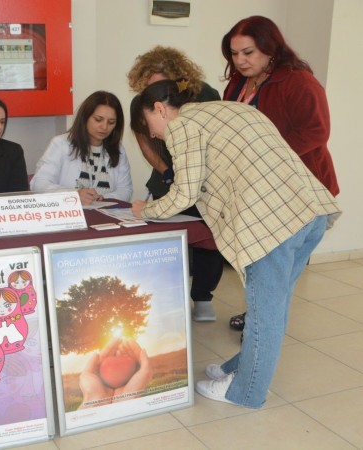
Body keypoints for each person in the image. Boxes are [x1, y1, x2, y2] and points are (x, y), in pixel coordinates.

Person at [131, 79, 341, 408]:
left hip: (271, 224)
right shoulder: (228, 109)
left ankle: (246, 391)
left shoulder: (182, 124)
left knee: (263, 313)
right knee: (275, 306)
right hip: (309, 211)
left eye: (149, 126)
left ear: (159, 109)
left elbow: (185, 192)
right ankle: (241, 368)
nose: (155, 135)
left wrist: (146, 210)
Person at [221, 16, 340, 334]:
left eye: (248, 52)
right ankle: (260, 319)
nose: (240, 60)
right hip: (261, 188)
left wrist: (269, 154)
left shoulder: (299, 82)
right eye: (234, 53)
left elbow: (316, 132)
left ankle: (261, 327)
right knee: (263, 268)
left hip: (300, 192)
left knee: (275, 274)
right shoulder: (238, 83)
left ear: (270, 48)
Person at [127, 46, 225, 322]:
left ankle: (203, 297)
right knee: (166, 239)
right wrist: (168, 172)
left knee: (208, 240)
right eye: (149, 87)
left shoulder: (205, 95)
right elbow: (145, 143)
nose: (155, 94)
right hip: (167, 177)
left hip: (204, 178)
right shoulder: (140, 104)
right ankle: (165, 298)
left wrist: (191, 175)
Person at [30, 91, 133, 204]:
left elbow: (125, 190)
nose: (104, 127)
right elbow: (39, 184)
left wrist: (103, 198)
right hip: (70, 211)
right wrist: (74, 194)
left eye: (111, 122)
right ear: (85, 117)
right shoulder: (61, 144)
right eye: (98, 120)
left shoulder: (118, 149)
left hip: (104, 212)